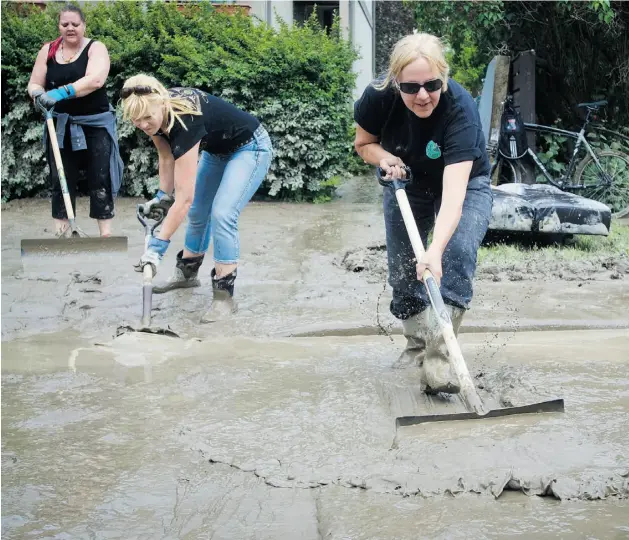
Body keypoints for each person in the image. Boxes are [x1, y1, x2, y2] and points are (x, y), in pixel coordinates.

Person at [353, 33, 493, 394]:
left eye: (432, 85)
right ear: (394, 81)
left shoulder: (461, 109)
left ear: (443, 78)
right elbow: (363, 144)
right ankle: (416, 344)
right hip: (408, 182)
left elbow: (455, 194)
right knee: (403, 266)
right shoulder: (377, 97)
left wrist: (435, 250)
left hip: (464, 184)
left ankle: (438, 358)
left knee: (457, 252)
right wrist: (385, 158)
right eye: (410, 87)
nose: (422, 95)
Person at [120, 74, 273, 322]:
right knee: (199, 212)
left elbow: (184, 199)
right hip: (217, 151)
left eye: (148, 118)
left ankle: (224, 298)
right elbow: (166, 157)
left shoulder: (184, 120)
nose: (144, 125)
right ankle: (187, 275)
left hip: (250, 146)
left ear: (162, 104)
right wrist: (161, 196)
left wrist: (156, 248)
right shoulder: (151, 111)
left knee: (223, 214)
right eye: (137, 121)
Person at [26, 3, 123, 238]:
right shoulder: (48, 50)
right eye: (65, 24)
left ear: (84, 25)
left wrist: (59, 93)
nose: (70, 28)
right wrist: (38, 95)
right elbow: (34, 83)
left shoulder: (95, 48)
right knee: (61, 178)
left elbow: (95, 80)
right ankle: (62, 235)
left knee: (100, 178)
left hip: (95, 124)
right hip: (60, 125)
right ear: (59, 26)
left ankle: (105, 236)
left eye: (75, 24)